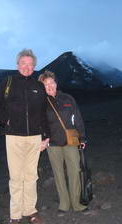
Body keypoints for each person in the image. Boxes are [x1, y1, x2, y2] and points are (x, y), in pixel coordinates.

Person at [0, 49, 50, 224]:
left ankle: (30, 211)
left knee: (31, 176)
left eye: (30, 64)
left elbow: (43, 113)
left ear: (34, 66)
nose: (27, 67)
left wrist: (46, 136)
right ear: (17, 65)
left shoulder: (38, 87)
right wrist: (6, 120)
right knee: (16, 178)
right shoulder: (8, 82)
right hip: (14, 137)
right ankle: (15, 216)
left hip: (34, 138)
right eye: (23, 63)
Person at [38, 70, 89, 216]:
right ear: (42, 87)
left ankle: (77, 204)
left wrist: (83, 138)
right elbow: (38, 124)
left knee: (75, 171)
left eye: (51, 83)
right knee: (58, 174)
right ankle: (64, 204)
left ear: (56, 83)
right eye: (46, 84)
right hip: (52, 144)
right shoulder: (41, 103)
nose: (49, 86)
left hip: (70, 142)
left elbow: (77, 119)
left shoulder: (68, 98)